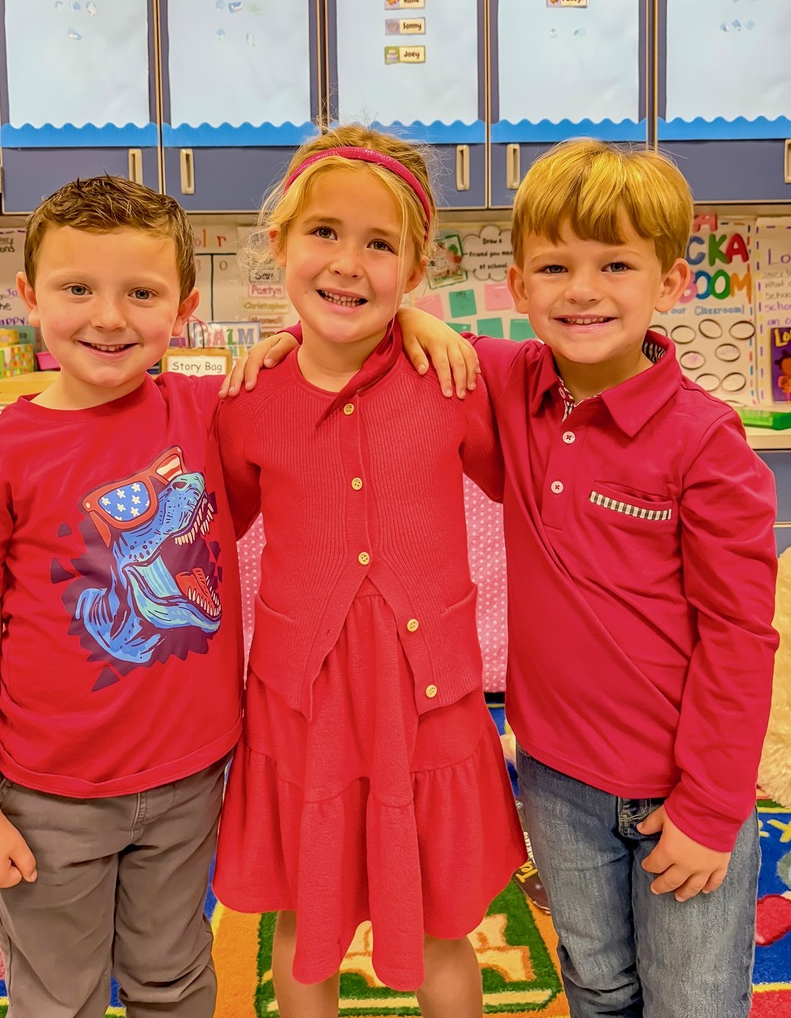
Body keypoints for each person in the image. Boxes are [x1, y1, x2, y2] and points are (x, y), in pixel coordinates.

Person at [233, 139, 779, 1018]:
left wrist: (712, 807)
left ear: (670, 283)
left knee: (693, 999)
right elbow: (355, 323)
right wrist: (402, 316)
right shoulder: (506, 383)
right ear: (519, 288)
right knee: (594, 985)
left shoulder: (703, 441)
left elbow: (741, 636)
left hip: (677, 783)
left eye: (614, 265)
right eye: (555, 267)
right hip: (555, 774)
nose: (583, 289)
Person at [211, 124, 527, 1018]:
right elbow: (208, 533)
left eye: (379, 245)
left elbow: (557, 389)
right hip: (300, 702)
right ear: (277, 243)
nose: (348, 263)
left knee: (441, 924)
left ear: (415, 268)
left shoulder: (456, 377)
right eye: (324, 233)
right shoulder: (245, 400)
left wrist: (424, 322)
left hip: (423, 699)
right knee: (300, 921)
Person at [0, 175, 245, 1018]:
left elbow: (327, 360)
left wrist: (418, 318)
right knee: (57, 997)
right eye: (77, 289)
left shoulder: (208, 412)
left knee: (173, 980)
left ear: (182, 309)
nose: (108, 317)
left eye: (140, 293)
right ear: (31, 297)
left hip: (190, 780)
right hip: (48, 799)